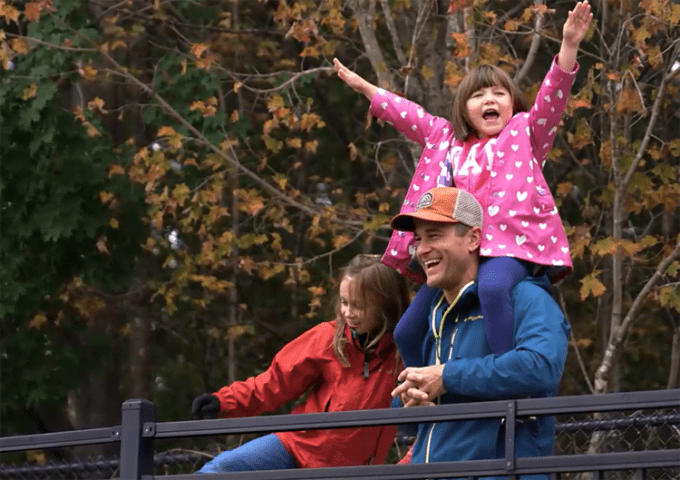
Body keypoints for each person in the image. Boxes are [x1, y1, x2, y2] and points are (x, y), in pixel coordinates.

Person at [334, 1, 592, 357]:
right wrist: (367, 89)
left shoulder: (524, 134)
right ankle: (417, 398)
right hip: (456, 252)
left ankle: (503, 378)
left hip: (506, 247)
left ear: (512, 104)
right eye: (479, 94)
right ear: (464, 110)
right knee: (408, 330)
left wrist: (569, 46)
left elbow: (551, 100)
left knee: (492, 289)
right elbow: (409, 115)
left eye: (499, 93)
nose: (490, 99)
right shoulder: (446, 140)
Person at [389, 186, 570, 474]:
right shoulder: (431, 316)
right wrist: (406, 400)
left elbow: (542, 366)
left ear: (473, 238)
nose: (422, 249)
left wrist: (447, 375)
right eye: (419, 239)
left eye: (434, 235)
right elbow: (414, 419)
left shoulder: (525, 298)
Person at [190, 254, 410, 473]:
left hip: (347, 471)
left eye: (358, 306)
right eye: (344, 302)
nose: (348, 313)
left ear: (385, 306)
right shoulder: (329, 338)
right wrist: (224, 402)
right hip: (294, 446)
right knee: (219, 470)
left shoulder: (404, 355)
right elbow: (275, 383)